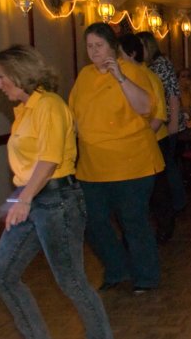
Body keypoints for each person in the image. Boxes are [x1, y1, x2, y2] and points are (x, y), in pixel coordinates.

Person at [0, 45, 115, 339]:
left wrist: (24, 199)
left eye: (1, 77)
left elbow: (50, 159)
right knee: (1, 274)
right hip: (31, 199)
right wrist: (22, 198)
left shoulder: (50, 105)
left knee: (71, 280)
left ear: (19, 73)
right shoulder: (26, 109)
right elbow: (31, 163)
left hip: (58, 203)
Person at [69, 23, 165, 295]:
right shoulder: (84, 76)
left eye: (99, 45)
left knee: (133, 220)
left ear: (112, 46)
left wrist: (121, 78)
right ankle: (117, 268)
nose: (94, 51)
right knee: (93, 221)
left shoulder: (133, 71)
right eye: (89, 46)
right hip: (92, 166)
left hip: (132, 163)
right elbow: (74, 115)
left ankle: (146, 276)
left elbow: (146, 107)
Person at [119, 33, 176, 245]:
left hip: (153, 141)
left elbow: (160, 114)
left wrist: (140, 138)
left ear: (131, 54)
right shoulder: (120, 79)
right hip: (131, 144)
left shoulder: (149, 77)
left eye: (119, 54)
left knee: (158, 191)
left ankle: (163, 229)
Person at [137, 31, 186, 214]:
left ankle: (177, 203)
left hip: (166, 122)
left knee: (167, 165)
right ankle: (174, 202)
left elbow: (172, 93)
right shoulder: (149, 66)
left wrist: (173, 122)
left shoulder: (161, 65)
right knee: (167, 164)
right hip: (162, 120)